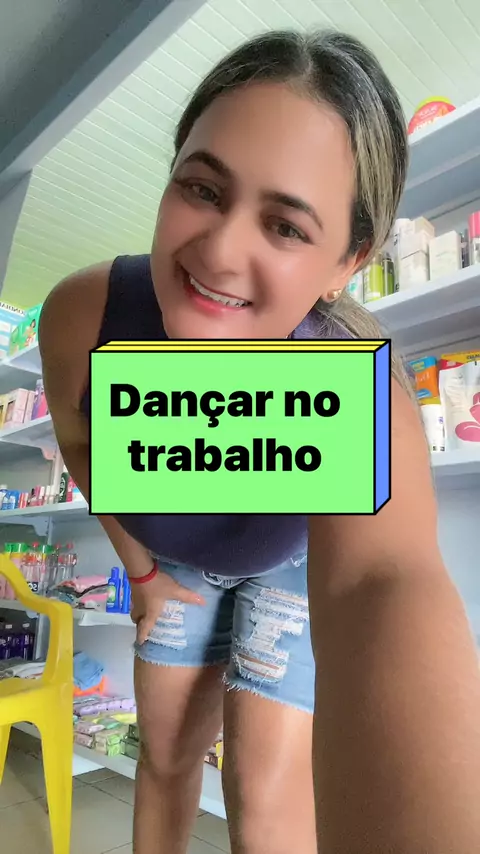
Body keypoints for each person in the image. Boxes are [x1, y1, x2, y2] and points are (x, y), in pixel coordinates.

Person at [39, 30, 480, 854]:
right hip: (172, 566)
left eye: (285, 225)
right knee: (165, 759)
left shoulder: (353, 387)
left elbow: (385, 584)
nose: (218, 252)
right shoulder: (85, 317)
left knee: (265, 791)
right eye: (202, 189)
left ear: (347, 260)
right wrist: (139, 572)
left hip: (285, 567)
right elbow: (81, 441)